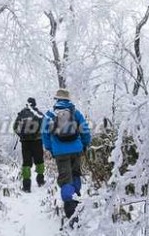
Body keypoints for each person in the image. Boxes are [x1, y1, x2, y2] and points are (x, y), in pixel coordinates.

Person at [41, 89, 91, 223]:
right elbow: (85, 130)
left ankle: (71, 212)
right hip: (76, 150)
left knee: (65, 179)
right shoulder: (75, 112)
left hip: (60, 152)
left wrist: (50, 149)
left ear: (56, 99)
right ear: (68, 99)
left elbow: (45, 135)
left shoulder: (50, 114)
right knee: (75, 174)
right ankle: (76, 200)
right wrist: (85, 144)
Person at [13, 97, 45, 192]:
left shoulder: (22, 114)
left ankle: (26, 186)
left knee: (26, 163)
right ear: (34, 104)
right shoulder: (38, 113)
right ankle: (40, 180)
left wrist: (21, 135)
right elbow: (45, 126)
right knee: (39, 161)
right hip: (37, 141)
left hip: (25, 142)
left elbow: (15, 127)